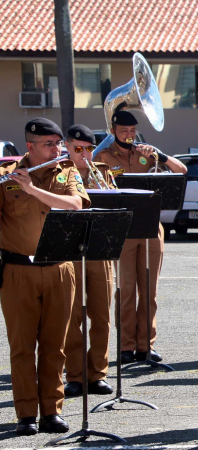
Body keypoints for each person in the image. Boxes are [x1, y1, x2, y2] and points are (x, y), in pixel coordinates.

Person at [0, 118, 90, 436]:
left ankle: (52, 411)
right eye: (49, 144)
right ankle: (26, 413)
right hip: (17, 271)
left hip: (59, 269)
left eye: (58, 143)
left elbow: (76, 205)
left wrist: (31, 189)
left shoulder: (66, 171)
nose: (56, 149)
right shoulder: (6, 175)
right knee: (22, 347)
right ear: (30, 146)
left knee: (55, 345)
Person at [95, 110, 187, 365]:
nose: (129, 135)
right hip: (122, 228)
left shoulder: (147, 153)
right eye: (124, 131)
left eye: (132, 131)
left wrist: (160, 156)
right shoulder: (103, 156)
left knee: (149, 290)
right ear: (113, 131)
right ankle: (126, 345)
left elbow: (181, 170)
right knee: (126, 289)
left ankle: (146, 345)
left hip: (150, 227)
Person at [61, 124, 116, 396]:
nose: (84, 154)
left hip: (99, 250)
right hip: (69, 251)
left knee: (102, 316)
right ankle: (75, 374)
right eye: (78, 149)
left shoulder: (102, 172)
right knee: (71, 318)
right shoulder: (59, 173)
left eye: (89, 149)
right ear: (68, 147)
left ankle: (97, 374)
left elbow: (115, 204)